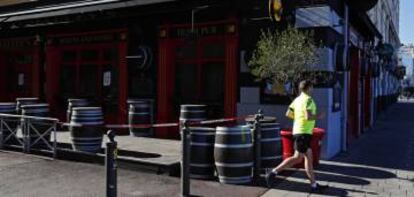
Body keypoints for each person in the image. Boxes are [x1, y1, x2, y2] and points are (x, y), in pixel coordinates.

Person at [265, 80, 328, 193]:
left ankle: (314, 185)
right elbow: (308, 117)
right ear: (308, 88)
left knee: (308, 158)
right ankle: (273, 172)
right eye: (312, 87)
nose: (313, 89)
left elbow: (288, 113)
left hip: (300, 132)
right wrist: (319, 115)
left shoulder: (297, 99)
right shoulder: (308, 99)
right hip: (303, 133)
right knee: (298, 158)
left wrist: (299, 119)